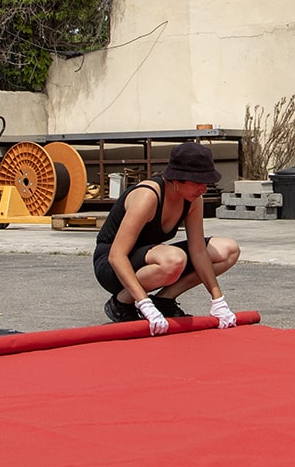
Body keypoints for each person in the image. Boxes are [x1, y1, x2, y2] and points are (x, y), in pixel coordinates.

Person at [94, 141, 241, 334]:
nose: (203, 188)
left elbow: (198, 251)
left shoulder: (194, 200)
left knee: (228, 249)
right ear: (176, 180)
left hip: (151, 259)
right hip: (112, 265)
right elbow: (116, 256)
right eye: (197, 182)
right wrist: (144, 302)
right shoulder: (148, 196)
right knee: (174, 259)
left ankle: (163, 300)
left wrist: (218, 300)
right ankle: (121, 302)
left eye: (206, 182)